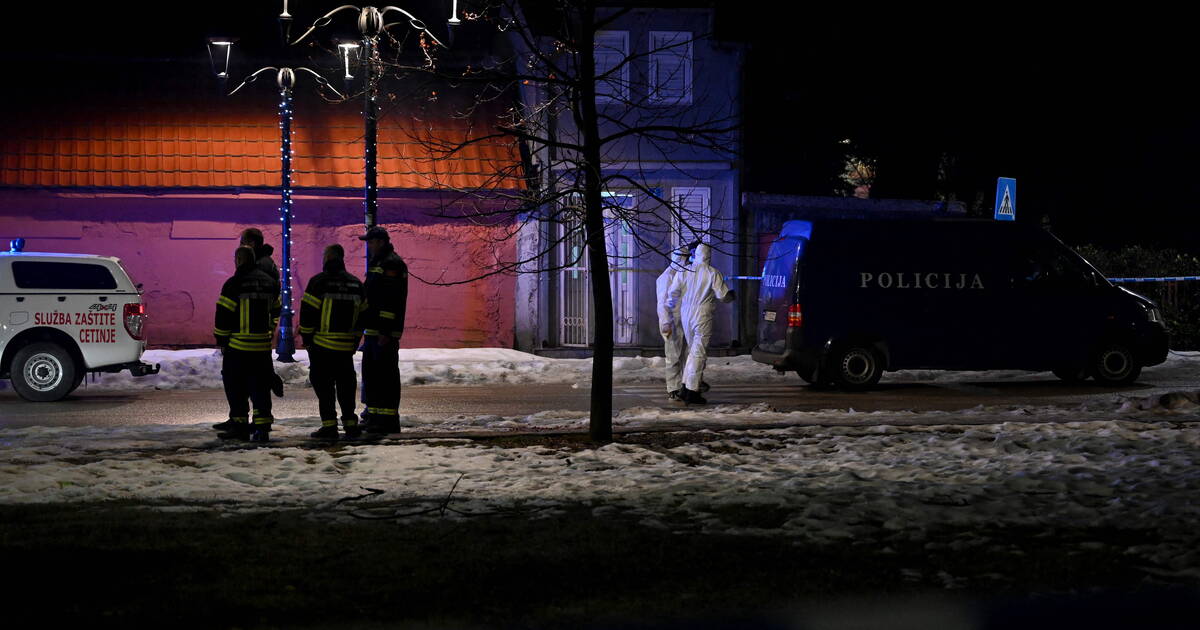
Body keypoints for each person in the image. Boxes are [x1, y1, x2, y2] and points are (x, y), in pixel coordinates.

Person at [212, 246, 282, 442]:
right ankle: (262, 425)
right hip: (261, 346)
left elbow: (223, 315)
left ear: (239, 260)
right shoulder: (270, 283)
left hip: (239, 346)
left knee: (236, 385)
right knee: (260, 385)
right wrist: (269, 331)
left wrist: (222, 340)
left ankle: (239, 423)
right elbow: (276, 309)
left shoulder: (234, 283)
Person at [299, 245, 365, 440]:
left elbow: (308, 314)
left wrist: (308, 340)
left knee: (325, 387)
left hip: (322, 346)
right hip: (345, 348)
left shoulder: (318, 282)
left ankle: (329, 426)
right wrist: (354, 341)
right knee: (346, 386)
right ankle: (351, 424)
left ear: (327, 258)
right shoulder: (356, 284)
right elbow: (363, 316)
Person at [665, 242, 735, 405]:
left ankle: (684, 387)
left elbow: (673, 292)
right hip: (702, 314)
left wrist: (669, 311)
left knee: (692, 350)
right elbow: (723, 295)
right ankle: (692, 391)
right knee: (699, 352)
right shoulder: (712, 272)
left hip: (685, 312)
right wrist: (731, 296)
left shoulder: (685, 270)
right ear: (709, 255)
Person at [358, 226, 408, 434]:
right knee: (373, 375)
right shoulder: (381, 262)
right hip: (374, 330)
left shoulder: (391, 263)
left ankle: (387, 419)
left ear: (379, 241)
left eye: (370, 242)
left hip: (382, 332)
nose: (368, 246)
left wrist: (386, 331)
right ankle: (375, 415)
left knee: (384, 376)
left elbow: (390, 299)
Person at [238, 228, 285, 398]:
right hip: (261, 322)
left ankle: (270, 380)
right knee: (259, 364)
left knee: (255, 368)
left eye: (243, 241)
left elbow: (263, 295)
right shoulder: (264, 261)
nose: (240, 245)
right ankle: (269, 379)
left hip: (257, 324)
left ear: (252, 243)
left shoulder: (261, 264)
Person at [657, 248, 689, 401]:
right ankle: (673, 388)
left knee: (682, 355)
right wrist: (665, 322)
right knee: (673, 356)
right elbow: (662, 302)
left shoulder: (680, 275)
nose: (687, 261)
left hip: (681, 319)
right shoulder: (667, 277)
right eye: (685, 257)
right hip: (671, 321)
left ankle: (682, 385)